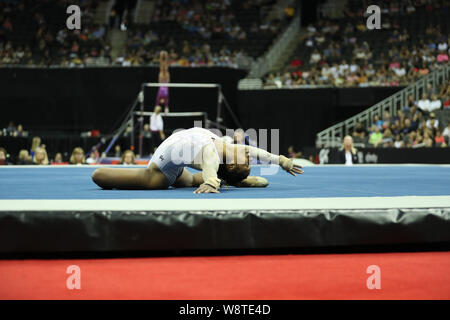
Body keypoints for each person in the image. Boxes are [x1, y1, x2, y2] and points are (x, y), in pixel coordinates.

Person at [92, 127, 303, 193]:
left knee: (99, 175)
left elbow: (210, 159)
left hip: (159, 175)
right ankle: (232, 181)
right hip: (177, 167)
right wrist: (282, 161)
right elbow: (256, 151)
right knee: (191, 178)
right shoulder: (228, 148)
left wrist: (210, 181)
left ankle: (225, 180)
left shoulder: (212, 152)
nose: (248, 156)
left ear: (230, 164)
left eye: (245, 162)